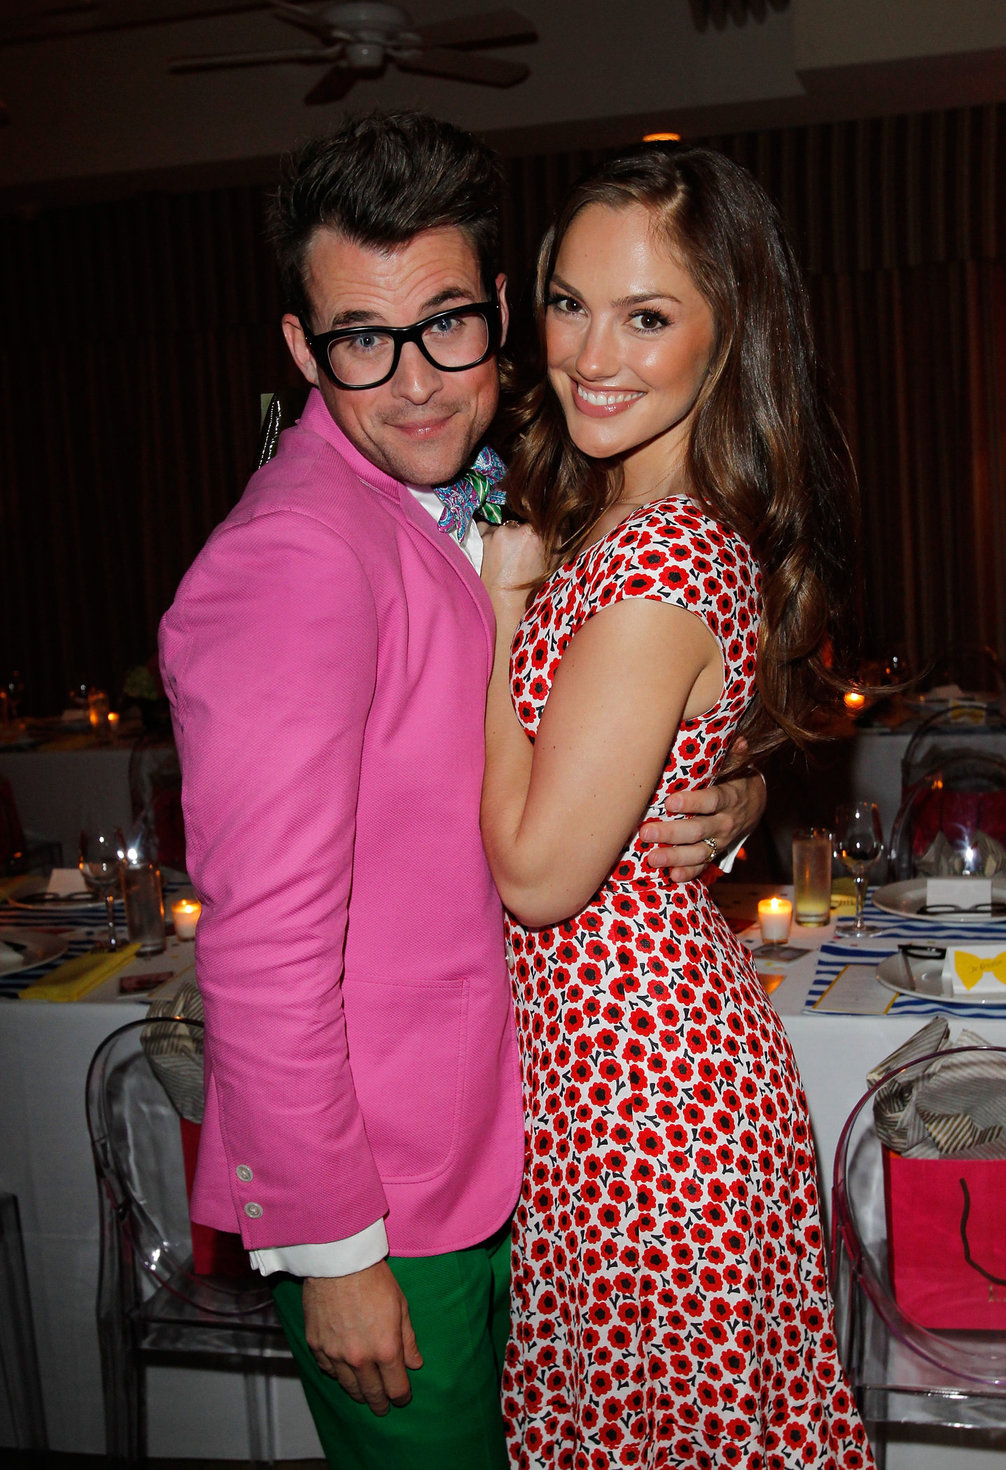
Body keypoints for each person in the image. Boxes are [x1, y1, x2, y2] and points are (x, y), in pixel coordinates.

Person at [159, 113, 763, 1470]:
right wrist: (332, 1246)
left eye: (444, 325)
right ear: (302, 351)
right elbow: (256, 943)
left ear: (496, 311)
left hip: (529, 1147)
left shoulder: (496, 484)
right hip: (392, 1203)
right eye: (361, 340)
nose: (417, 381)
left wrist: (725, 787)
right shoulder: (291, 559)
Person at [479, 143, 874, 1468]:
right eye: (568, 303)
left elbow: (535, 875)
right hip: (613, 1075)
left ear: (727, 334)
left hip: (650, 1099)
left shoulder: (656, 557)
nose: (593, 352)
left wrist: (496, 606)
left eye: (647, 315)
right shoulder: (614, 520)